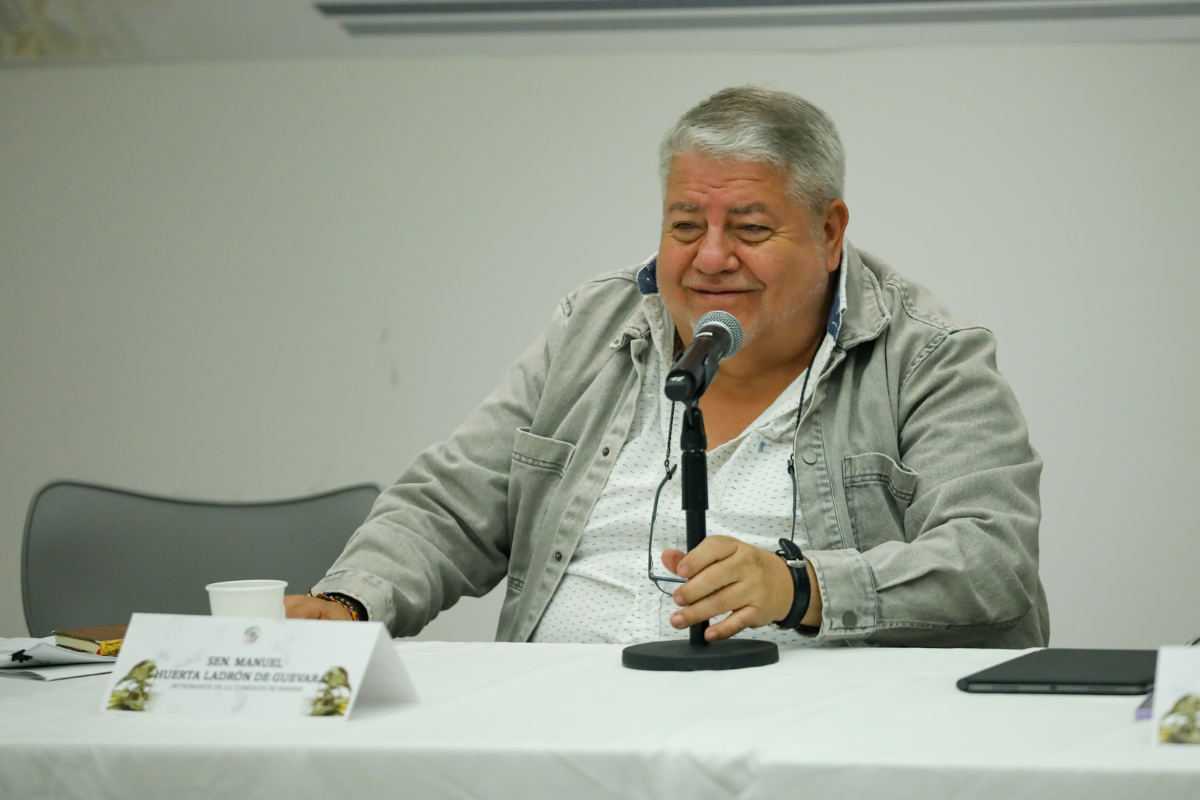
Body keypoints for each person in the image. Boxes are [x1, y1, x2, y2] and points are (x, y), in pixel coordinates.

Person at [286, 86, 1049, 648]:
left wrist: (801, 586)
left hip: (812, 747)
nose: (711, 258)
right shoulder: (596, 325)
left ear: (829, 231)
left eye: (749, 228)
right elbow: (449, 505)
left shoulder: (929, 356)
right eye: (686, 226)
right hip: (556, 733)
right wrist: (352, 603)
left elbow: (990, 556)